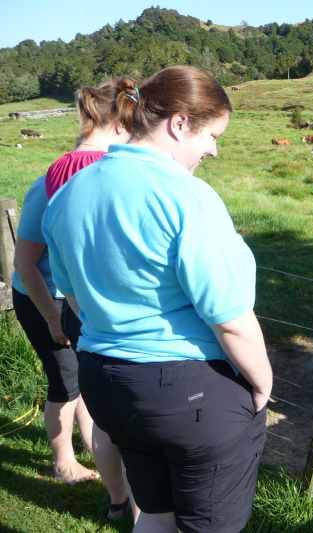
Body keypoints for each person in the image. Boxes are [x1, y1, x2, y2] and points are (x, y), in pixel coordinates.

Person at [42, 66, 272, 533]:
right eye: (212, 134)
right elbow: (229, 319)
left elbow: (77, 300)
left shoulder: (66, 194)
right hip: (190, 395)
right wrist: (262, 384)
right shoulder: (188, 197)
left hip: (106, 384)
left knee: (155, 513)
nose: (214, 149)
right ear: (180, 123)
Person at [12, 78, 134, 520]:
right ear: (118, 123)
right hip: (46, 296)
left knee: (86, 379)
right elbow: (26, 263)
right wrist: (51, 318)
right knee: (65, 382)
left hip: (79, 297)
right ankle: (63, 460)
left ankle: (90, 445)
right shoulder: (54, 181)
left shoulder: (99, 169)